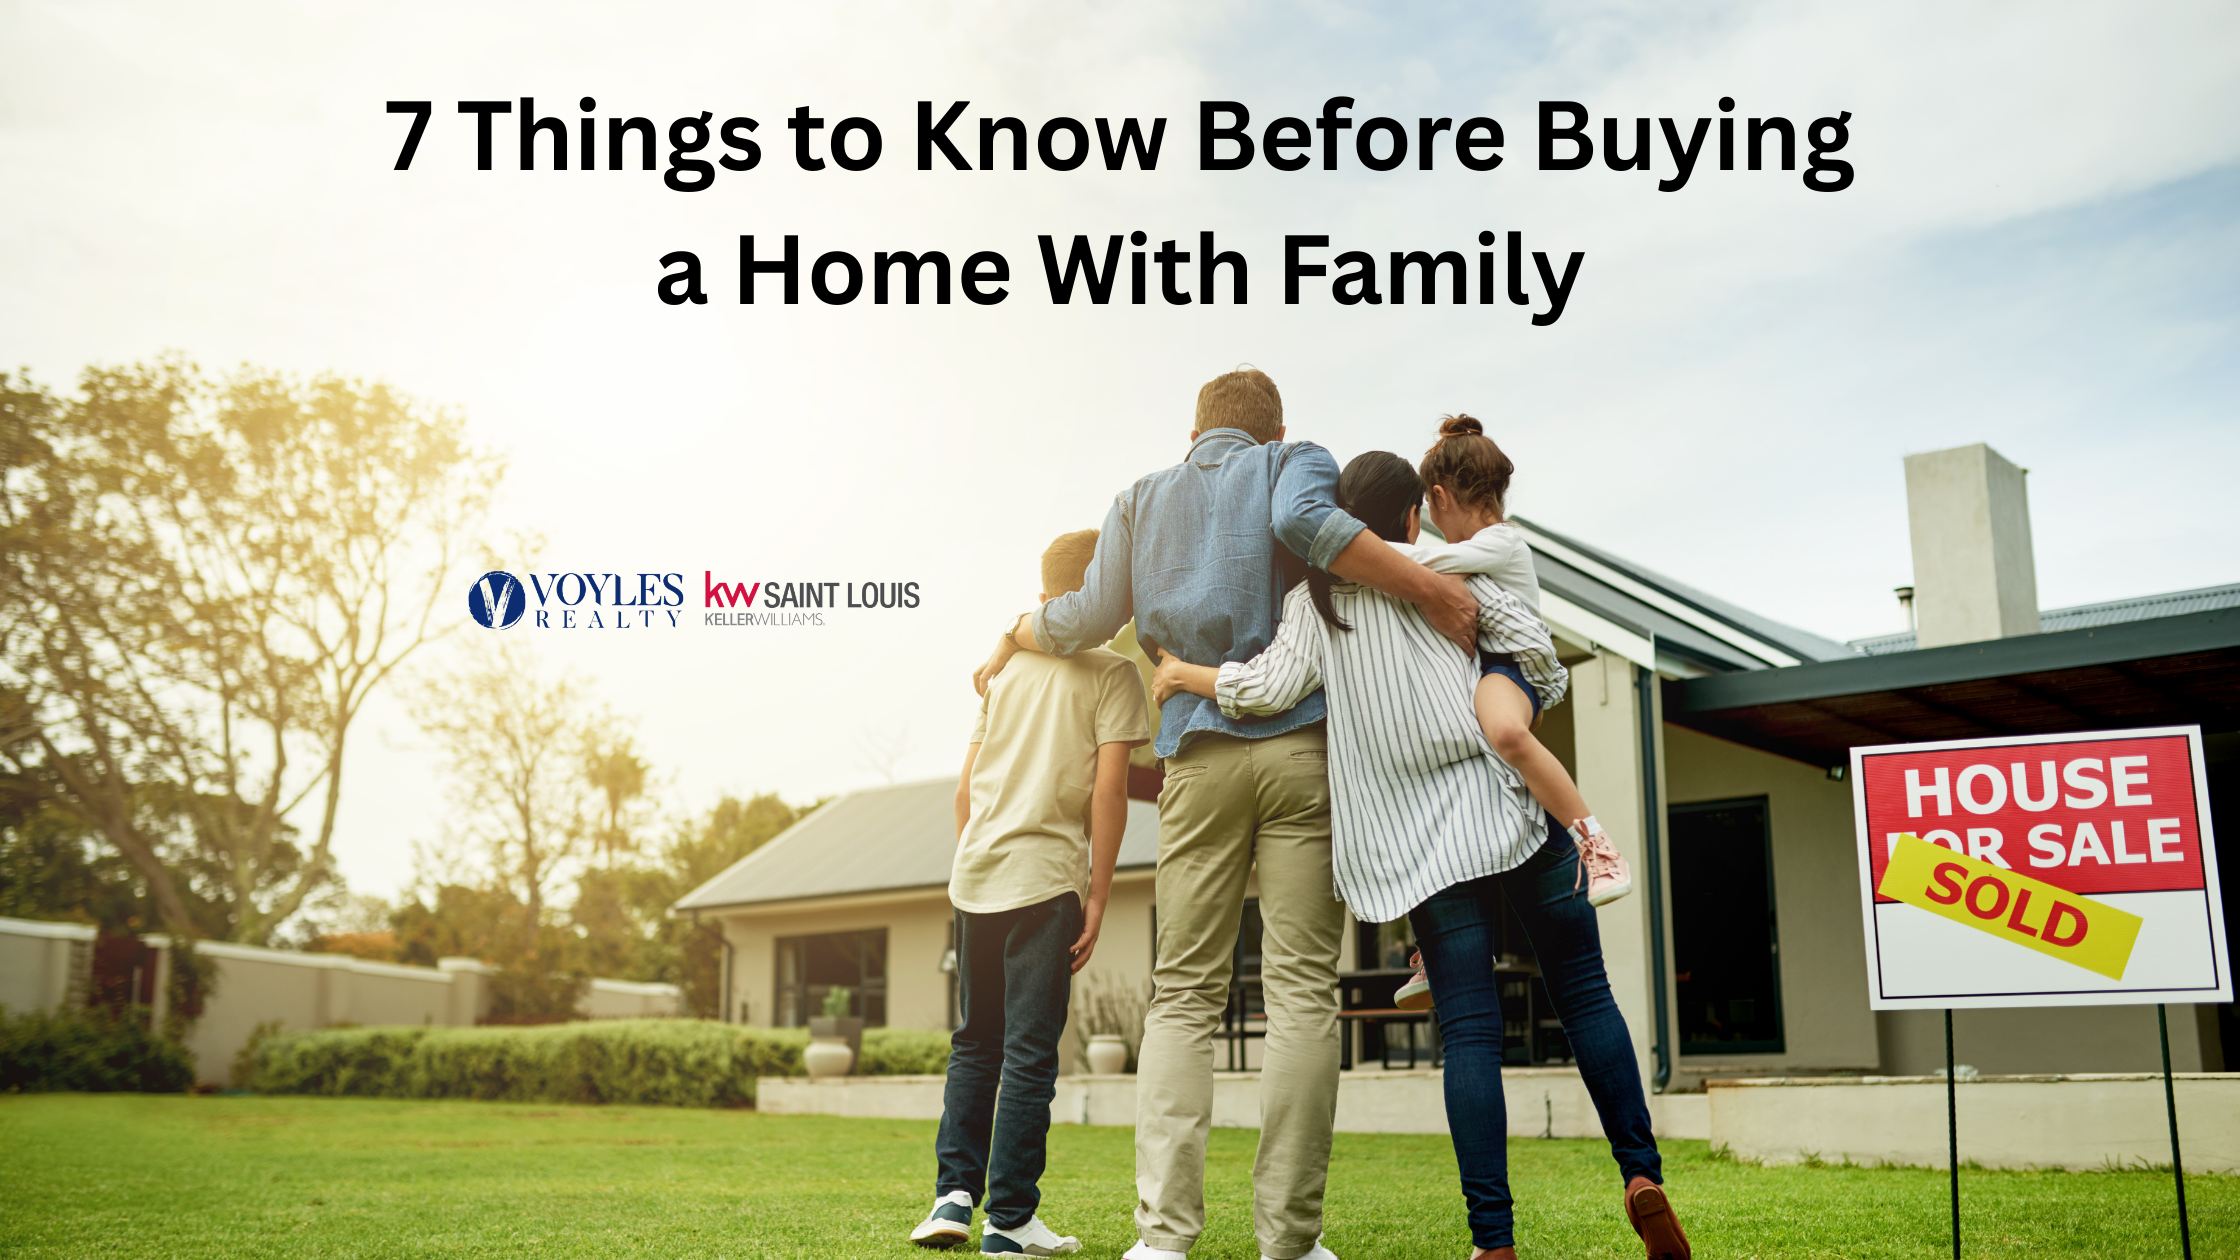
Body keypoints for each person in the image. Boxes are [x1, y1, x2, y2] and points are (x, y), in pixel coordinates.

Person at [973, 368, 1478, 1260]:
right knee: (1299, 996)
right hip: (1299, 756)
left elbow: (1087, 616)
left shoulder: (1140, 497)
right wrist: (1430, 588)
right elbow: (1305, 528)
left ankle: (1164, 1239)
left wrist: (1018, 627)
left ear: (1195, 431)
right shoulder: (1294, 461)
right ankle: (1288, 1240)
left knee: (1183, 999)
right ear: (1273, 428)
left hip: (1197, 759)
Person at [1152, 451, 1689, 1260]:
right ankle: (1641, 1175)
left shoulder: (1314, 601)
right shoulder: (1443, 569)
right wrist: (1514, 695)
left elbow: (1265, 688)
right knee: (1584, 995)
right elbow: (1534, 654)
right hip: (1507, 813)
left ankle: (1494, 1242)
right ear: (1412, 516)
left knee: (1470, 1033)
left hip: (1424, 853)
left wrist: (1182, 674)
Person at [912, 528, 1151, 1256]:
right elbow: (1110, 790)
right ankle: (1009, 1218)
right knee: (1028, 1052)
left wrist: (977, 860)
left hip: (976, 875)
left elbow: (963, 792)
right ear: (1104, 596)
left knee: (974, 1043)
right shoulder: (1113, 674)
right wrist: (1099, 894)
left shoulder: (1003, 672)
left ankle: (953, 1197)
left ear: (1046, 597)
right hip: (1044, 880)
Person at [1391, 414, 1632, 1012]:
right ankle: (1431, 946)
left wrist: (1350, 550)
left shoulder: (1500, 542)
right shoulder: (1480, 545)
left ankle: (1594, 842)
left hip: (1510, 671)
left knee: (1502, 732)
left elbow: (1419, 569)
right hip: (1481, 676)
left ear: (1440, 499)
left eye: (1431, 509)